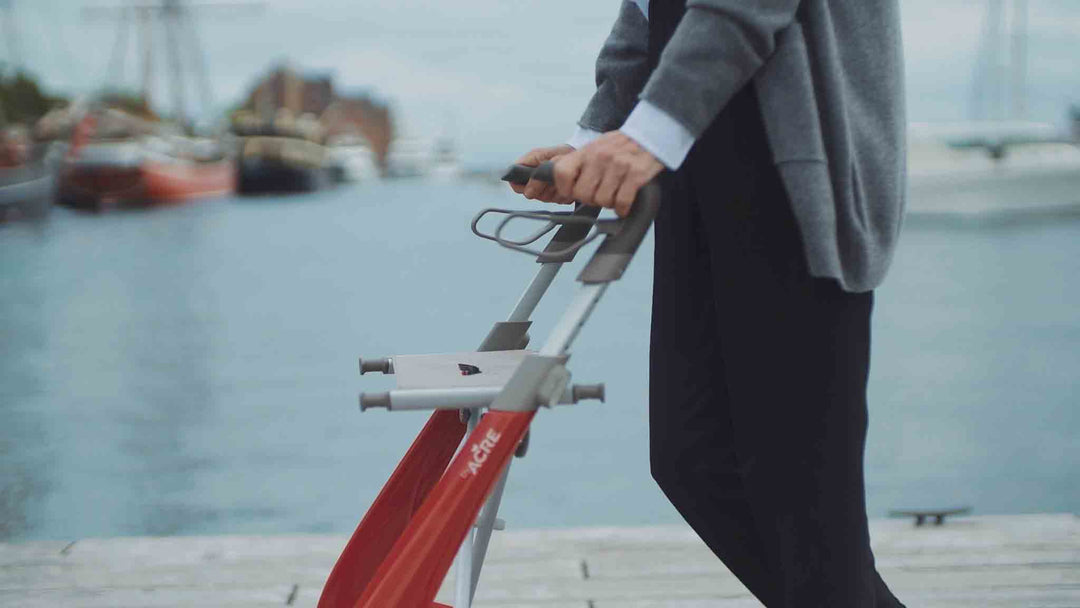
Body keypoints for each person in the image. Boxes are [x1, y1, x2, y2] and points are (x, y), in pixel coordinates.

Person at [509, 1, 907, 606]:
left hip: (795, 167)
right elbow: (648, 12)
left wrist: (647, 132)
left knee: (805, 509)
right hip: (692, 162)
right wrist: (593, 139)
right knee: (692, 459)